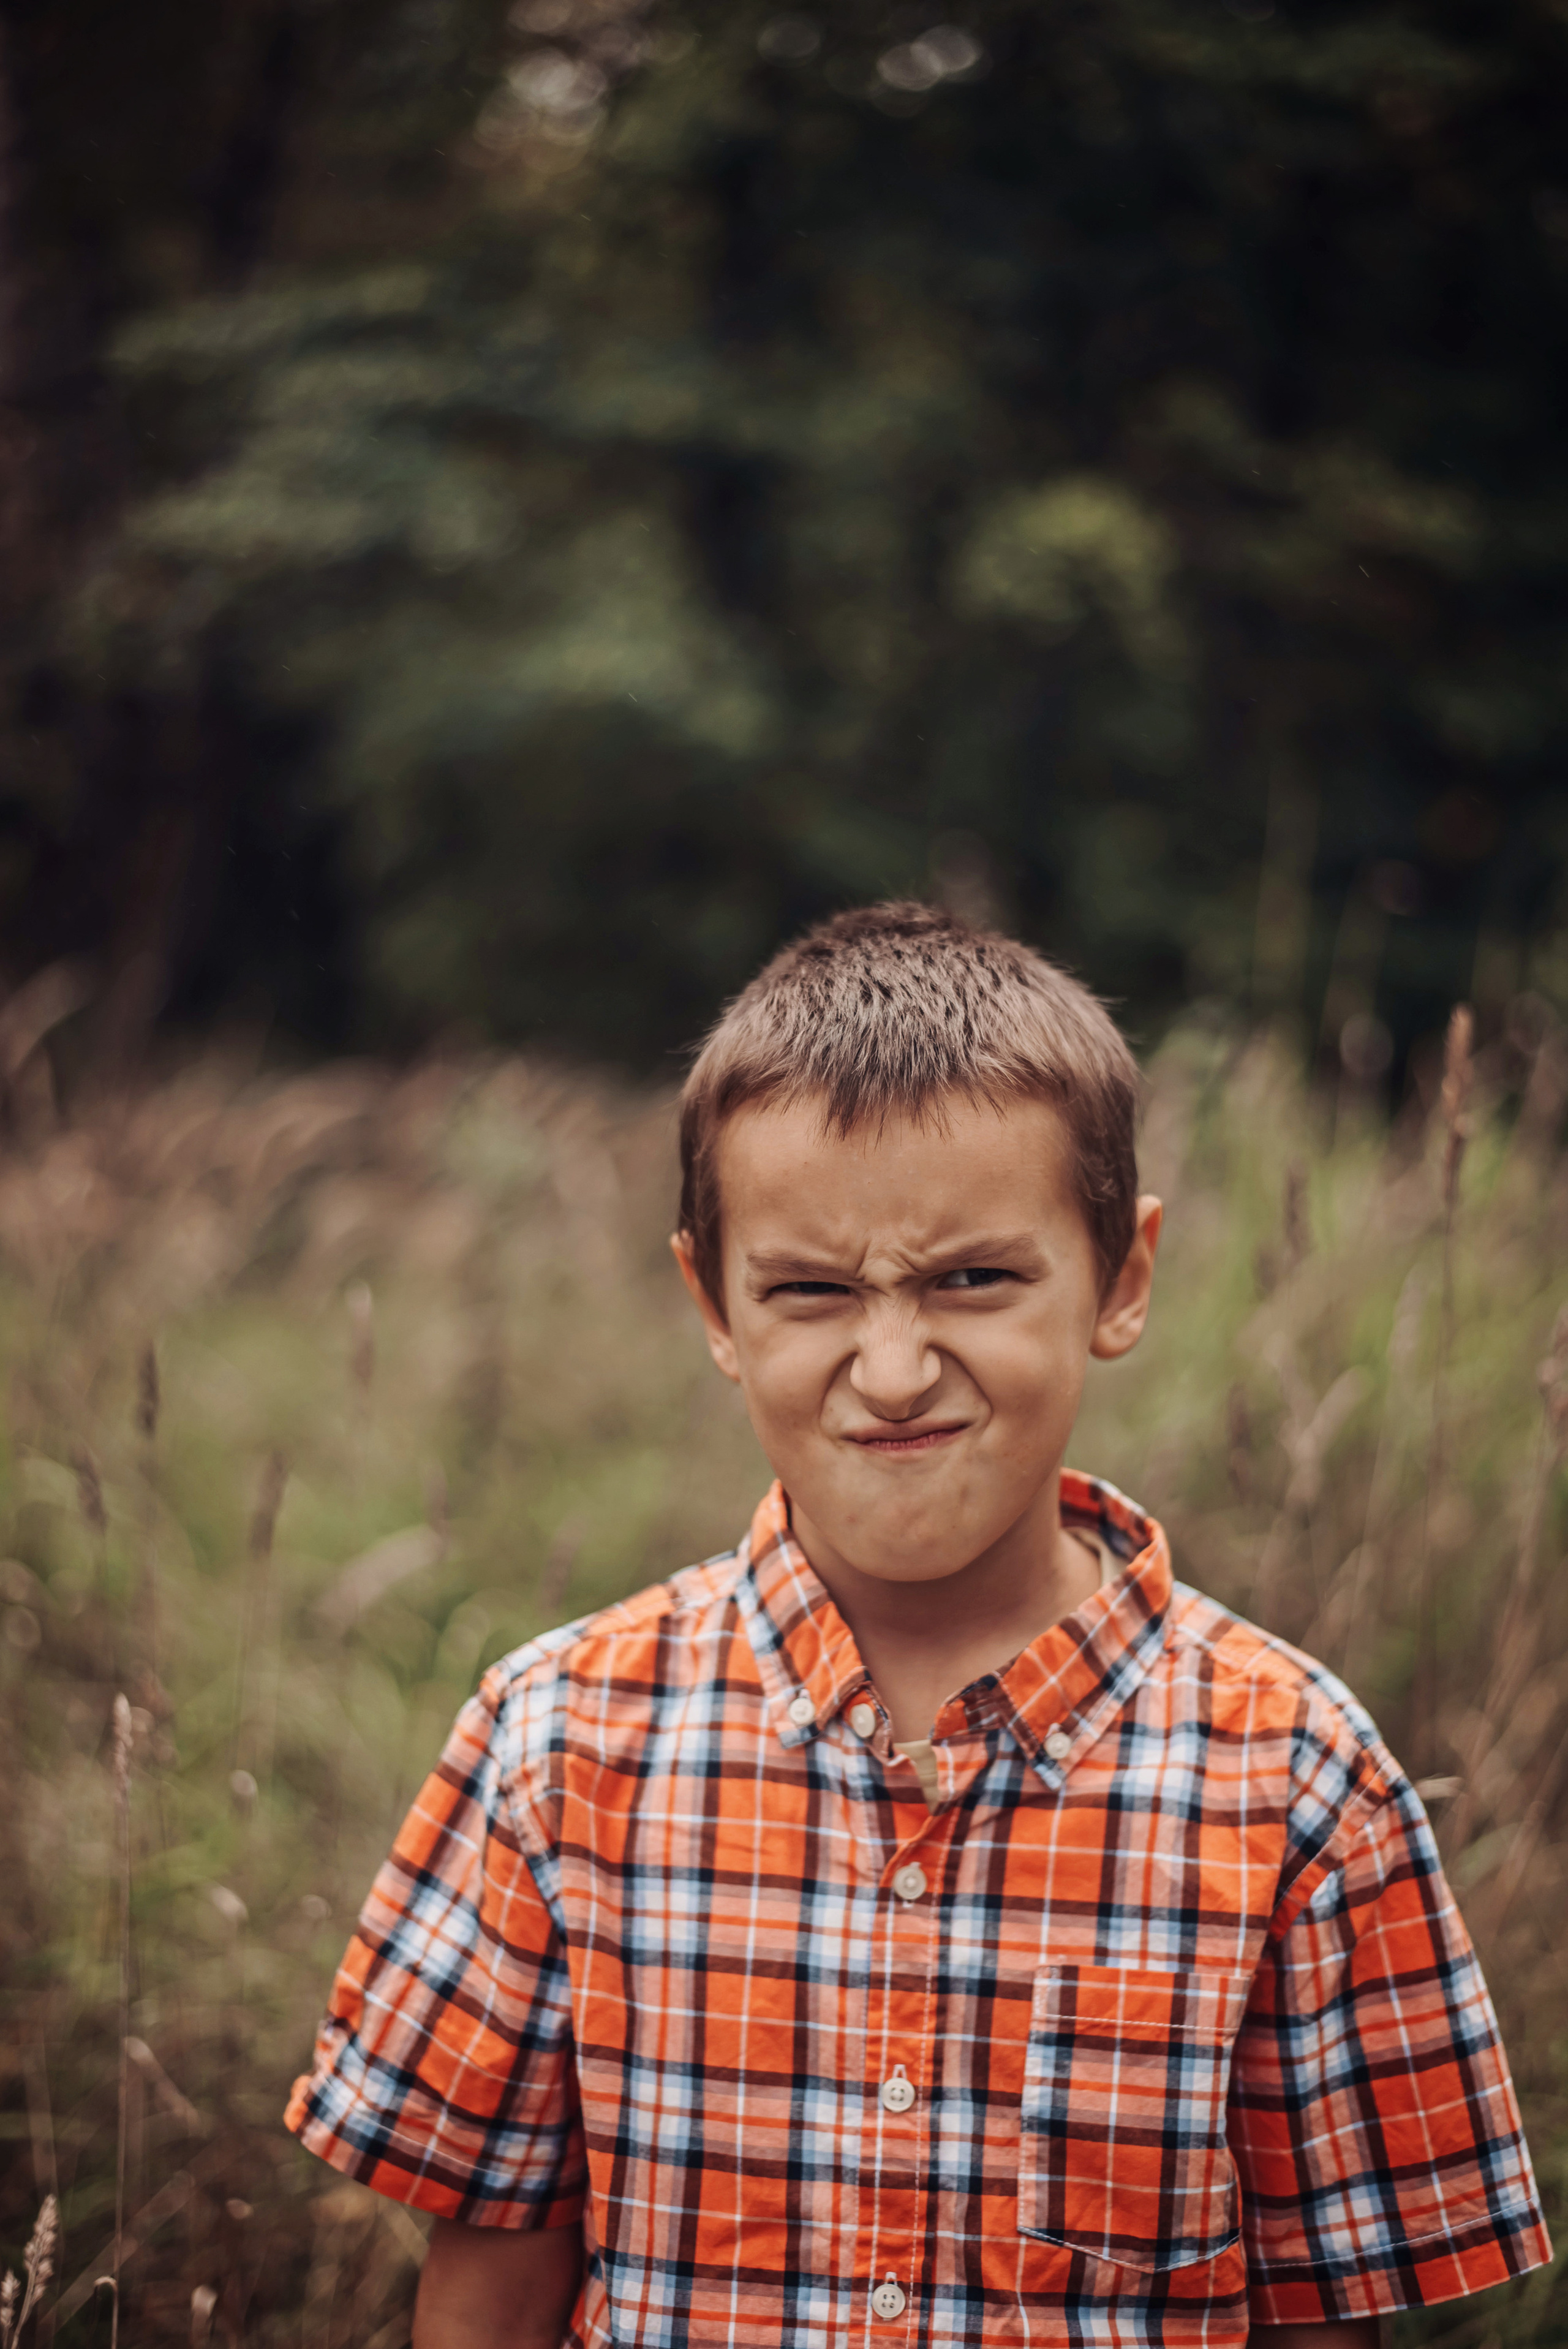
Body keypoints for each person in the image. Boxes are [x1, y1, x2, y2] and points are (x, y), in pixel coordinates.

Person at [286, 902, 1550, 2349]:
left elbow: (1329, 2320)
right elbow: (488, 2295)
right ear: (712, 1300)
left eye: (972, 1278)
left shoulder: (1297, 1781)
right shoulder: (552, 1744)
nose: (891, 1371)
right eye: (812, 1292)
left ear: (1119, 1279)